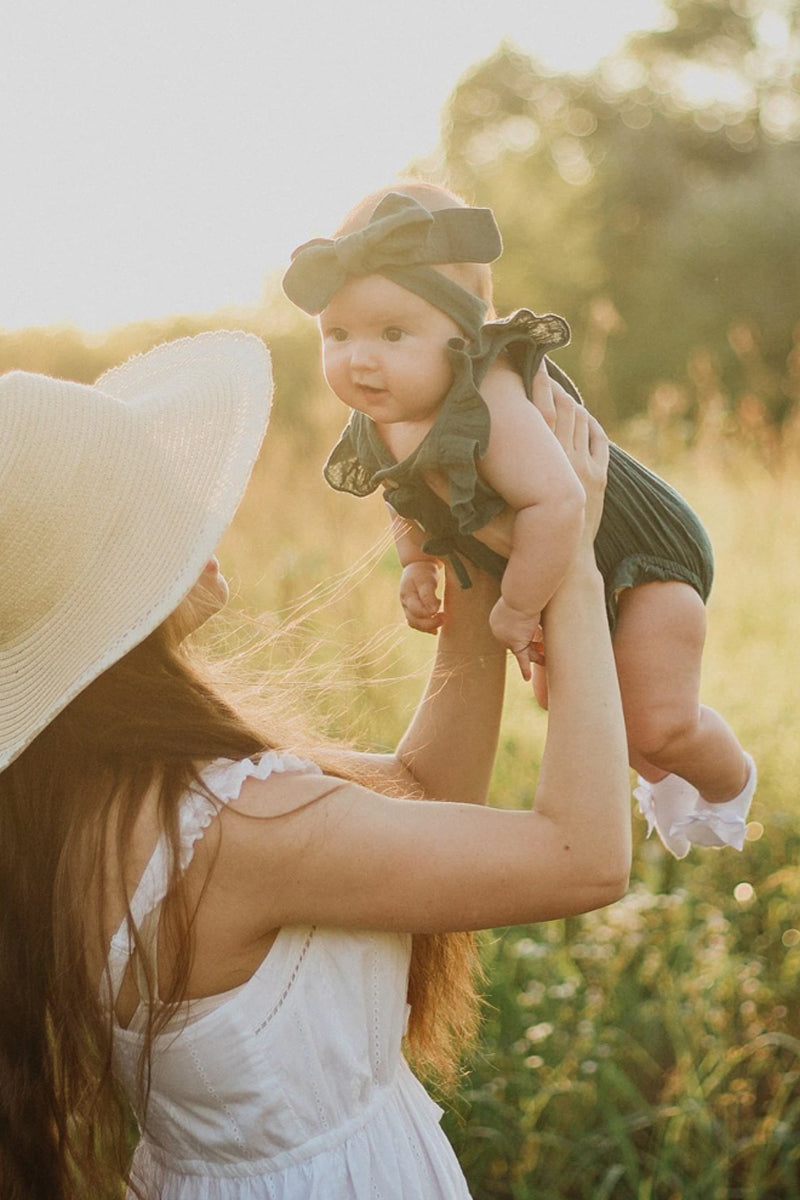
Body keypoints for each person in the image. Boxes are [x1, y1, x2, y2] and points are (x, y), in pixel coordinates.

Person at [0, 330, 630, 1200]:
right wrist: (578, 566)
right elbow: (583, 856)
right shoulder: (236, 828)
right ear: (96, 578)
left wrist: (478, 556)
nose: (195, 503)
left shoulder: (77, 794)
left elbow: (420, 800)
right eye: (150, 499)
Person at [282, 181, 757, 861]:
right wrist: (417, 561)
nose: (361, 357)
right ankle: (667, 791)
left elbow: (560, 501)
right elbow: (402, 494)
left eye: (393, 332)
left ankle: (732, 783)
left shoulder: (489, 390)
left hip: (642, 554)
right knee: (582, 716)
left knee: (658, 724)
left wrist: (518, 606)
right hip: (556, 561)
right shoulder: (384, 413)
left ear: (466, 326)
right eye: (339, 334)